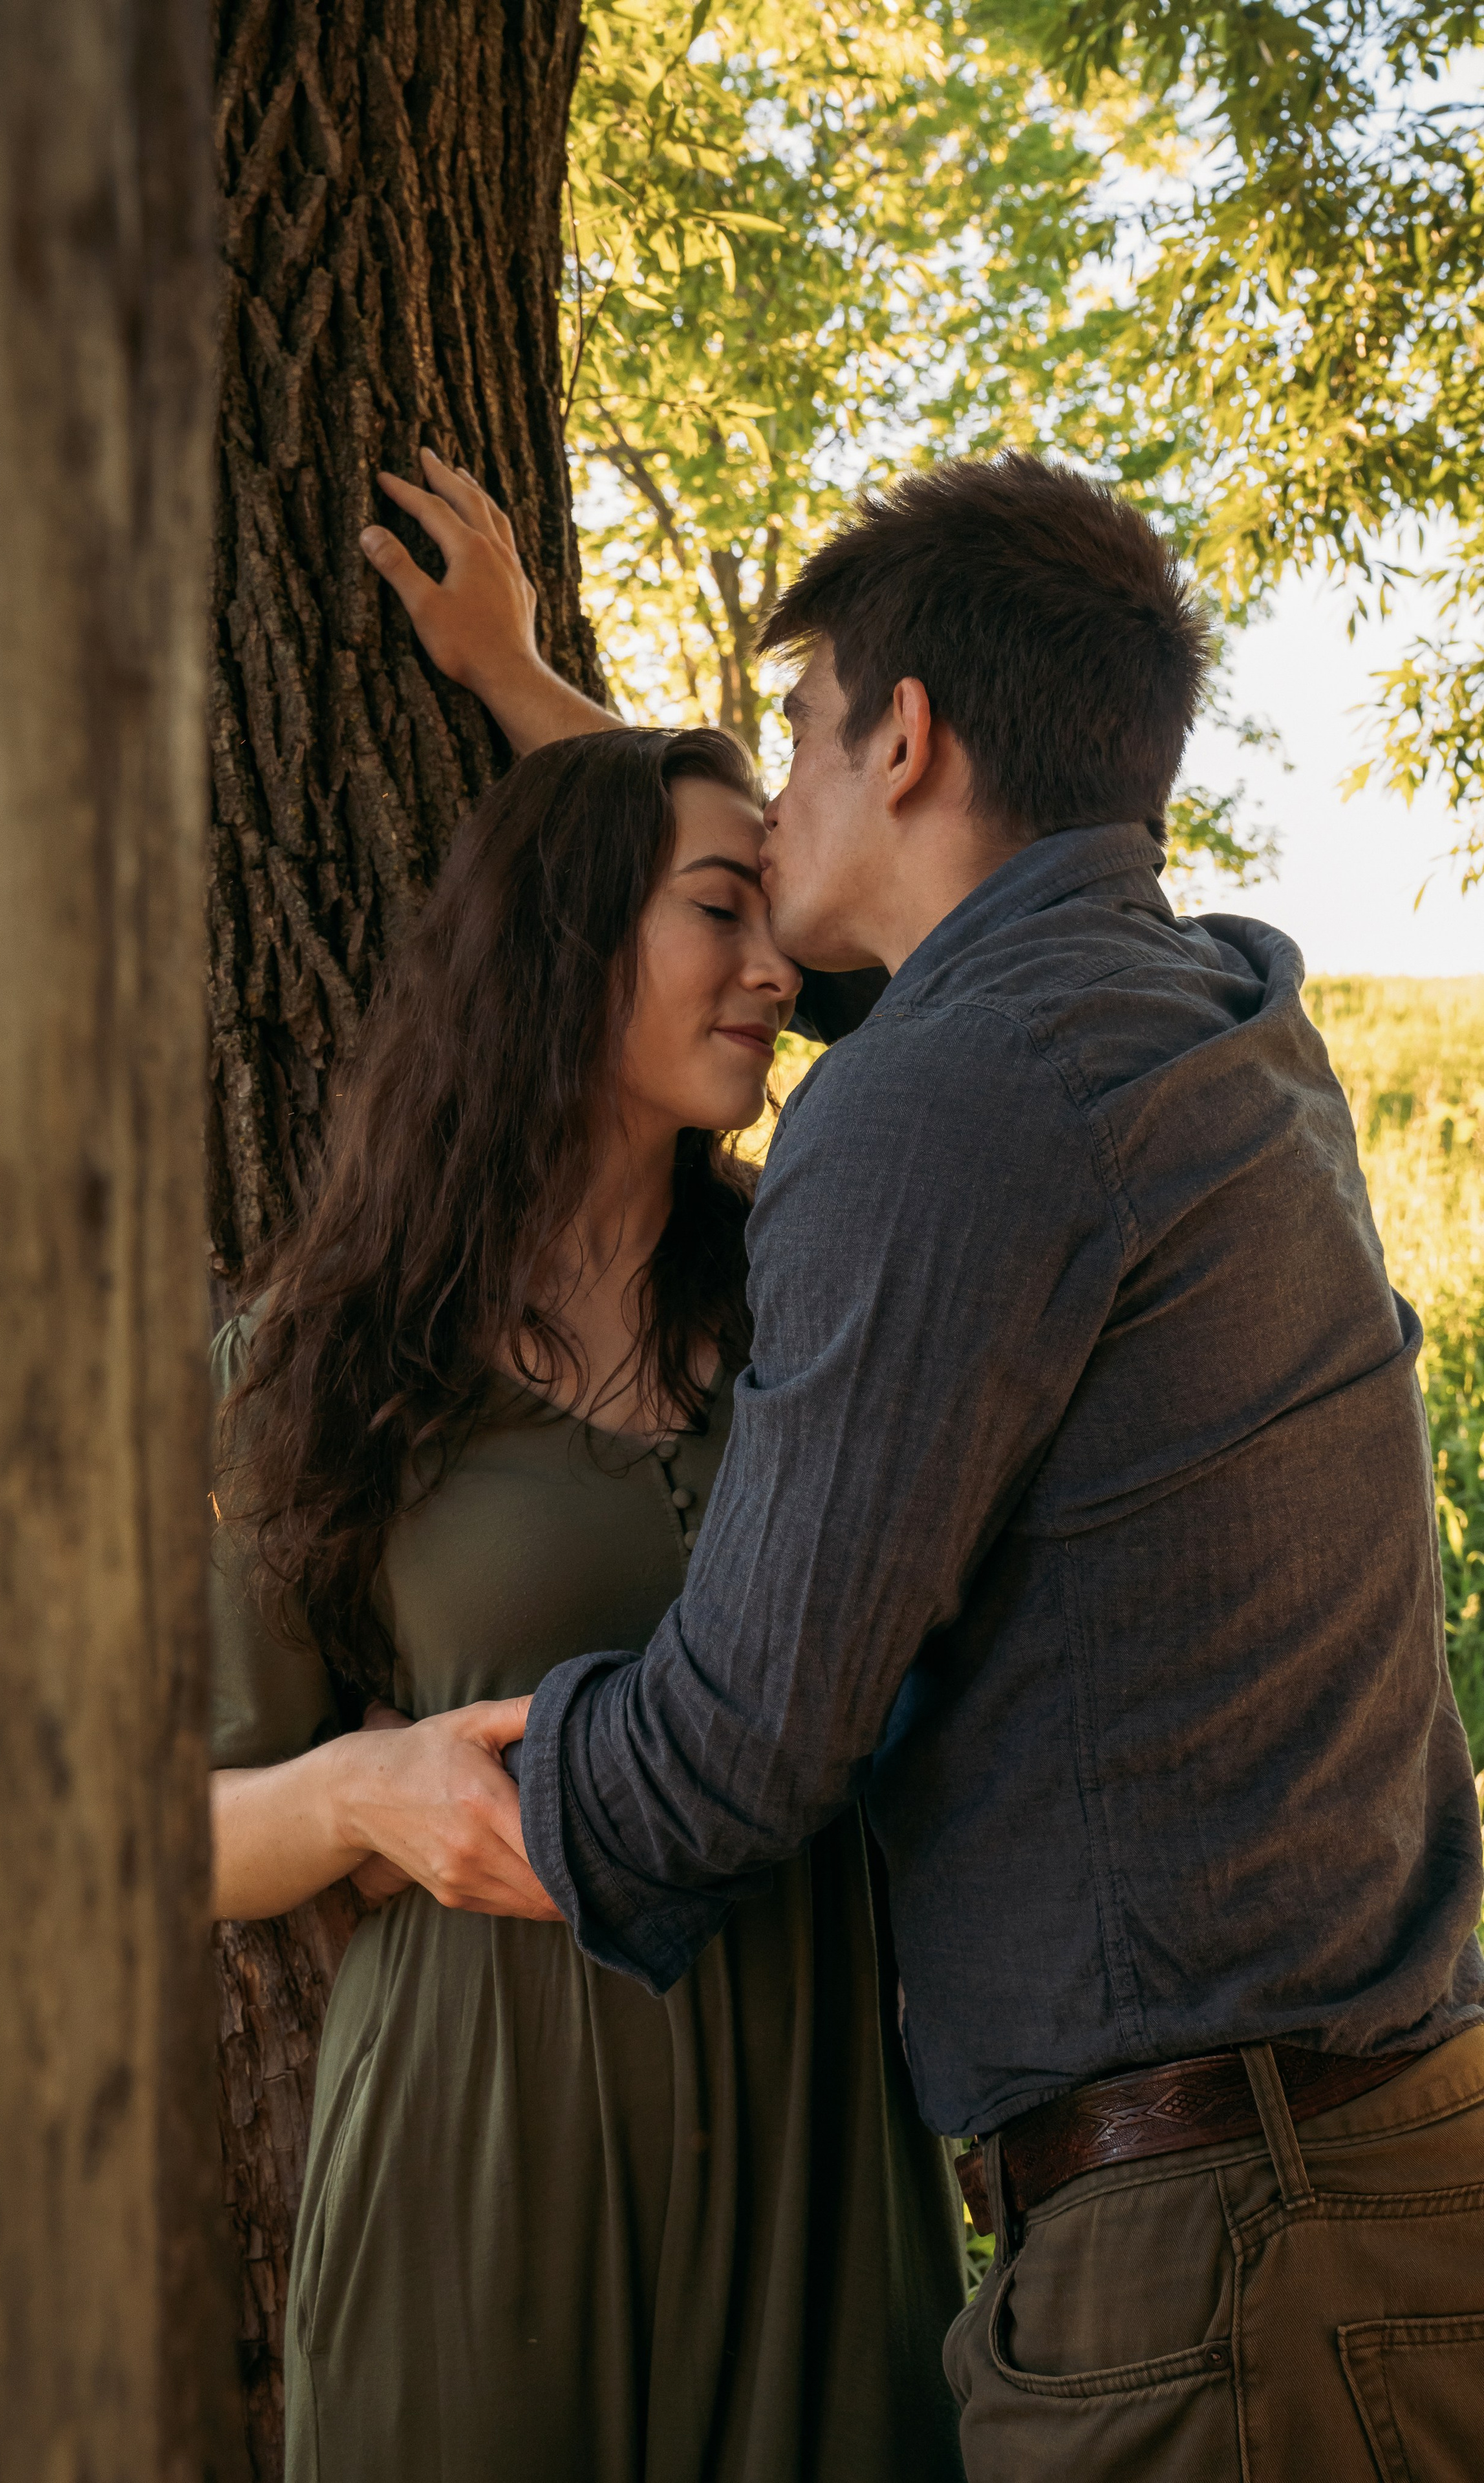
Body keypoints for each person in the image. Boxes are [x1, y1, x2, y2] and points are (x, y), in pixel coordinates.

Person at [354, 447, 1484, 2482]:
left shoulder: (951, 1108)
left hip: (1222, 2270)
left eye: (794, 734)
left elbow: (738, 1754)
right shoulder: (1208, 1006)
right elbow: (851, 955)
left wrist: (383, 1793)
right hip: (1382, 2177)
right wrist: (540, 703)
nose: (772, 794)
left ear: (904, 733)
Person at [206, 720, 967, 2483]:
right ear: (562, 937)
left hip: (822, 2152)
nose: (778, 972)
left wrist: (525, 676)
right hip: (476, 2171)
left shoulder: (822, 1297)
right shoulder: (313, 1361)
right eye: (724, 912)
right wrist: (351, 1792)